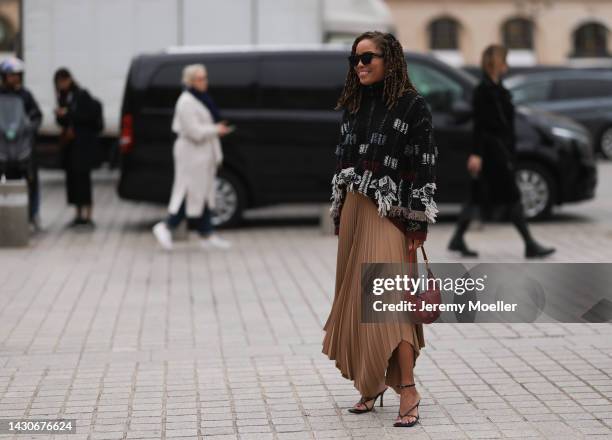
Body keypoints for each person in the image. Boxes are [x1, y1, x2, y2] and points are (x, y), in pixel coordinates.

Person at [322, 31, 438, 428]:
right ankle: (370, 385)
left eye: (368, 58)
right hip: (356, 209)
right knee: (357, 300)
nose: (360, 65)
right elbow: (342, 163)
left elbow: (424, 166)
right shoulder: (354, 105)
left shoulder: (412, 106)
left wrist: (416, 223)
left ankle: (408, 388)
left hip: (390, 214)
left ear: (390, 60)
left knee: (390, 304)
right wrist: (341, 216)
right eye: (355, 59)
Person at [447, 45, 555, 258]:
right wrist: (476, 153)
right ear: (495, 63)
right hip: (491, 151)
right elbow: (480, 125)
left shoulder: (498, 89)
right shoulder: (484, 90)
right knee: (512, 195)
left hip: (501, 149)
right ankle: (530, 244)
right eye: (504, 60)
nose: (507, 64)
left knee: (476, 195)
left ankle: (457, 238)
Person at [152, 64, 232, 251]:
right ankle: (166, 226)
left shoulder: (201, 99)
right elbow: (194, 131)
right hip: (191, 153)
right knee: (188, 191)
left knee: (204, 192)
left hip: (203, 153)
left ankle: (207, 233)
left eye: (205, 77)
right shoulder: (186, 102)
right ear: (190, 81)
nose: (205, 82)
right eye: (200, 78)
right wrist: (216, 130)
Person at [0, 57, 43, 230]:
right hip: (2, 142)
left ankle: (32, 213)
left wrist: (31, 127)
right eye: (11, 75)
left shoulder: (25, 95)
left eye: (17, 75)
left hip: (21, 143)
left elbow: (36, 115)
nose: (14, 79)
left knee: (31, 177)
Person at [54, 68, 100, 228]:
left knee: (83, 180)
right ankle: (78, 214)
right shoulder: (64, 97)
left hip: (83, 145)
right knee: (73, 180)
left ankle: (88, 215)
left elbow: (87, 117)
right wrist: (61, 116)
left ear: (69, 80)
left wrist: (68, 114)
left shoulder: (81, 95)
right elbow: (63, 122)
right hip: (71, 146)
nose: (61, 85)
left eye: (63, 81)